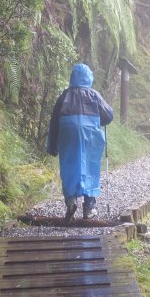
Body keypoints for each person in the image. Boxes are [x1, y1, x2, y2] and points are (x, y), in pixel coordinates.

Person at [46, 63, 114, 223]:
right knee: (90, 167)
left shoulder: (64, 96)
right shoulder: (94, 95)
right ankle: (89, 208)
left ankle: (71, 201)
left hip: (67, 133)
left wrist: (52, 147)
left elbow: (54, 123)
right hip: (90, 135)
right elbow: (108, 116)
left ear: (73, 77)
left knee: (69, 167)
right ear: (89, 77)